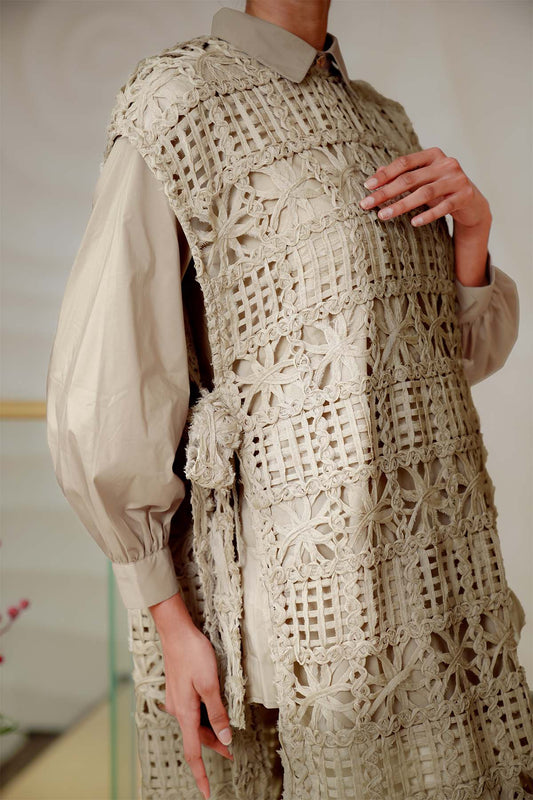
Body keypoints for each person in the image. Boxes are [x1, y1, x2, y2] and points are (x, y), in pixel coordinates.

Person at [46, 2, 533, 798]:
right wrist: (167, 618)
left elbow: (438, 370)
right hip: (299, 606)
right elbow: (108, 378)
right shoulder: (180, 101)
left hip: (433, 583)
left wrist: (470, 240)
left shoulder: (380, 118)